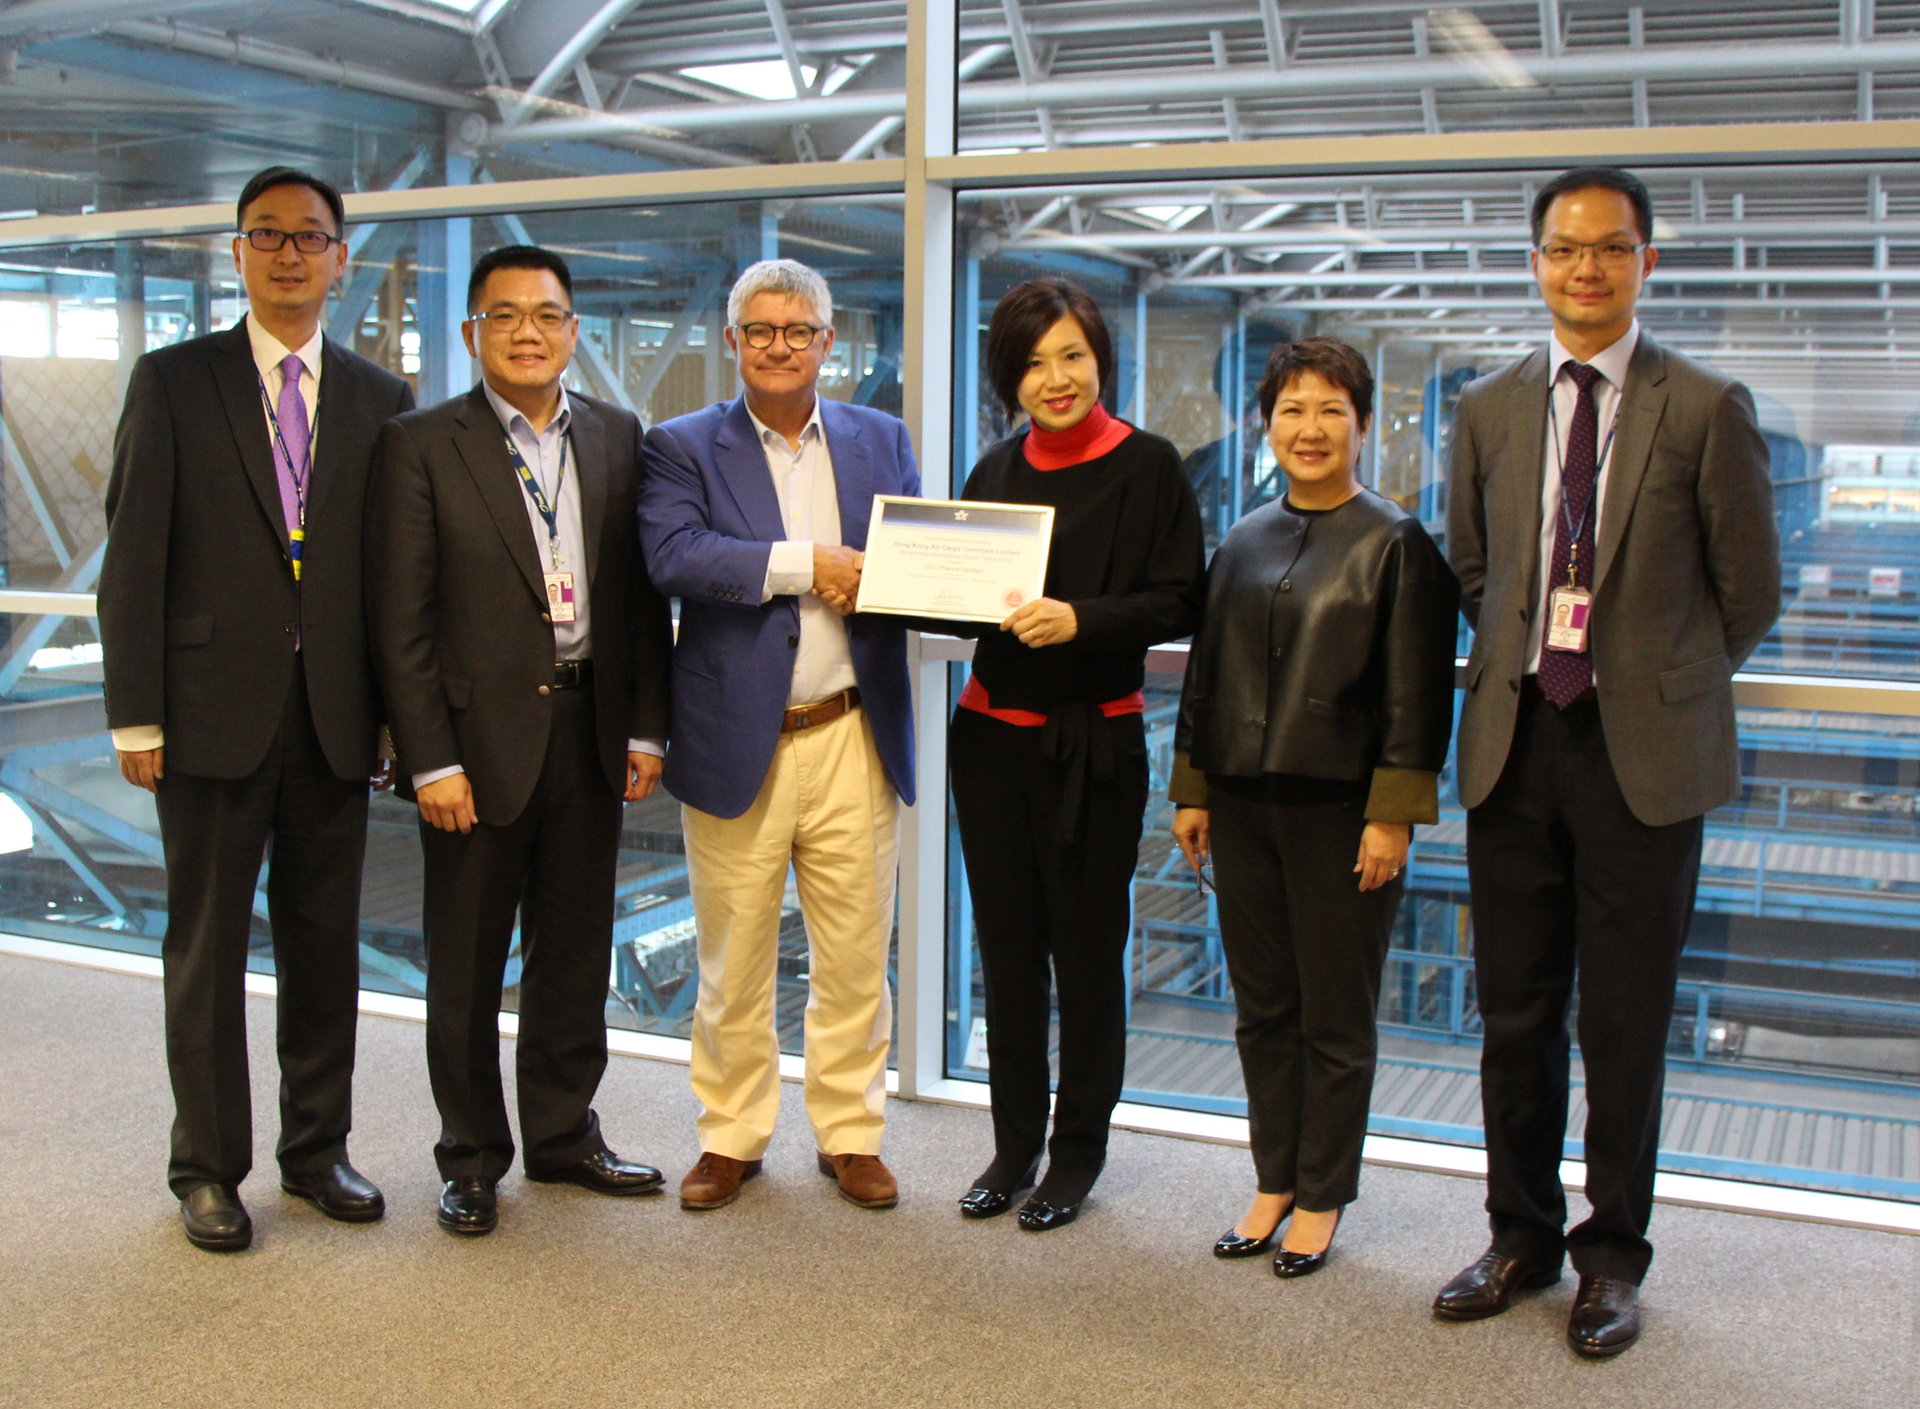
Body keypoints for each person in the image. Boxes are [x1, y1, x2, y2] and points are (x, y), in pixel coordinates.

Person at [1436, 167, 1781, 1356]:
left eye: (1612, 248)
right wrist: (1542, 662)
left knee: (1624, 1021)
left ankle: (1612, 1255)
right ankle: (1520, 1232)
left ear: (1646, 262)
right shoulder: (1488, 405)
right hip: (1517, 737)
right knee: (1514, 1011)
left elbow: (1750, 592)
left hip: (1645, 752)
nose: (1587, 268)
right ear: (1534, 261)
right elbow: (1475, 571)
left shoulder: (1705, 404)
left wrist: (1654, 674)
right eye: (1565, 249)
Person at [99, 166, 414, 1251]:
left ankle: (316, 1151)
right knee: (208, 948)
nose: (290, 253)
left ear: (342, 258)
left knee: (327, 946)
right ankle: (206, 1166)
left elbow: (388, 571)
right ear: (236, 251)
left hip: (334, 716)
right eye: (267, 235)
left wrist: (389, 719)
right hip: (205, 715)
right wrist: (135, 715)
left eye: (310, 237)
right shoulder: (175, 380)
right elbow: (132, 555)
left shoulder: (381, 397)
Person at [366, 245, 674, 1236]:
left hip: (589, 729)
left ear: (573, 330)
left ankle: (561, 1133)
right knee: (463, 962)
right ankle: (469, 1155)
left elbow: (634, 602)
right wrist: (431, 759)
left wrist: (643, 726)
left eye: (546, 314)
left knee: (575, 952)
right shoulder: (419, 443)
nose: (528, 331)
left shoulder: (622, 437)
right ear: (472, 333)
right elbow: (398, 619)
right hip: (473, 745)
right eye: (504, 316)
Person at [1168, 337, 1458, 1277]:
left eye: (1331, 408)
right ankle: (1272, 1178)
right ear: (1267, 424)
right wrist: (1193, 790)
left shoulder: (1397, 541)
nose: (1310, 428)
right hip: (1243, 804)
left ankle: (1322, 1193)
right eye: (1292, 409)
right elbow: (1207, 680)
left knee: (1336, 1014)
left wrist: (1393, 815)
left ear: (1363, 424)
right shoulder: (1245, 538)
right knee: (1262, 1008)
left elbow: (1419, 695)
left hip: (1343, 813)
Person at [639, 259, 919, 1213]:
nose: (778, 346)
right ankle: (731, 1135)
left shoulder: (882, 440)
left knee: (852, 954)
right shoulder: (680, 445)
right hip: (734, 735)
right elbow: (677, 557)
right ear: (732, 343)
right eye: (759, 331)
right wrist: (812, 564)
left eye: (798, 330)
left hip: (853, 731)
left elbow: (916, 564)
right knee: (734, 955)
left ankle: (850, 1134)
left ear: (828, 343)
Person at [943, 277, 1205, 1231]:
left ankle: (1076, 1152)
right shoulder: (995, 469)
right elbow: (961, 592)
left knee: (1088, 958)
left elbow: (1182, 599)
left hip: (1093, 743)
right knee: (1008, 956)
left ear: (1100, 361)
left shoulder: (1150, 467)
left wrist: (1081, 619)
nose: (1054, 379)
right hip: (989, 743)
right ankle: (1013, 1144)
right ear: (1008, 378)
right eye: (1032, 363)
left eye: (1072, 357)